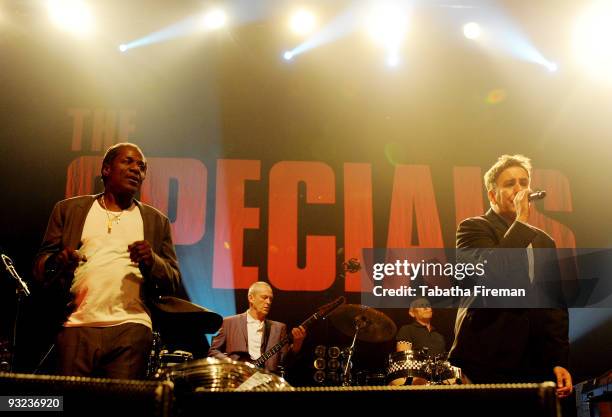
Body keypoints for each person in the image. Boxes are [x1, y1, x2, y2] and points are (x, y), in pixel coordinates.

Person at [33, 142, 181, 379]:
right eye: (127, 161)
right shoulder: (69, 210)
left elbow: (173, 280)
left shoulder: (156, 221)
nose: (136, 169)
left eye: (141, 166)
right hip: (77, 326)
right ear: (106, 169)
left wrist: (151, 260)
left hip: (132, 326)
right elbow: (40, 269)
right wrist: (60, 261)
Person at [448, 154, 572, 398]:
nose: (519, 189)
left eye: (524, 183)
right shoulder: (472, 228)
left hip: (535, 363)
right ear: (493, 195)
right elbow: (493, 276)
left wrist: (559, 359)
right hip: (485, 359)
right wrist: (522, 221)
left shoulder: (544, 241)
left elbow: (554, 305)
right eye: (510, 184)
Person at [208, 281, 306, 374]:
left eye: (270, 299)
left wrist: (297, 345)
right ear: (251, 298)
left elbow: (285, 363)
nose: (268, 302)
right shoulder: (229, 323)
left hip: (266, 382)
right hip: (237, 379)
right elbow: (213, 351)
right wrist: (231, 363)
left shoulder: (278, 328)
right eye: (264, 297)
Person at [390, 298, 446, 385]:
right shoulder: (407, 329)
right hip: (417, 375)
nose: (426, 308)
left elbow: (444, 362)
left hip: (439, 377)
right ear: (411, 313)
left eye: (427, 305)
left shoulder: (439, 336)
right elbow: (404, 359)